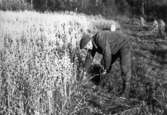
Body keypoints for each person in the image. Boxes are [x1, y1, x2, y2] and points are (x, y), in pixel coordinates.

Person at [80, 30, 131, 98]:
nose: (87, 49)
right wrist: (84, 72)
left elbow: (107, 53)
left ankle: (126, 92)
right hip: (113, 48)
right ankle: (104, 83)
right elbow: (89, 58)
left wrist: (106, 68)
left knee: (125, 68)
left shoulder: (99, 37)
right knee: (103, 63)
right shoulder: (92, 45)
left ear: (89, 42)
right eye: (86, 49)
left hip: (123, 44)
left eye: (86, 47)